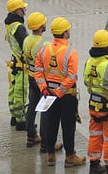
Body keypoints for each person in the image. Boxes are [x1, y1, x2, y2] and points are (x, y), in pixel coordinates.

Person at [35, 16, 86, 167]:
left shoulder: (44, 50)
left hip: (48, 95)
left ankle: (51, 155)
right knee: (68, 127)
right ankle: (70, 156)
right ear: (65, 33)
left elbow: (38, 71)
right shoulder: (71, 52)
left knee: (51, 124)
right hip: (66, 96)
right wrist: (59, 92)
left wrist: (44, 88)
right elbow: (71, 77)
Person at [83, 29, 108, 174]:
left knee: (95, 135)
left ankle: (94, 164)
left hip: (94, 106)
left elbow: (87, 82)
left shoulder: (89, 62)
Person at [22, 12, 63, 153]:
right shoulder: (45, 44)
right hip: (42, 81)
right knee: (45, 111)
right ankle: (46, 143)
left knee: (32, 106)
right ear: (41, 26)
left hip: (31, 77)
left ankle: (31, 136)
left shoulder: (26, 40)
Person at [4, 0, 29, 131]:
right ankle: (21, 121)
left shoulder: (9, 24)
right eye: (22, 7)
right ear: (17, 10)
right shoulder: (18, 27)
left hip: (14, 63)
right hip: (21, 65)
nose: (25, 9)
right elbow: (25, 46)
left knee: (13, 91)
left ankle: (14, 116)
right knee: (21, 93)